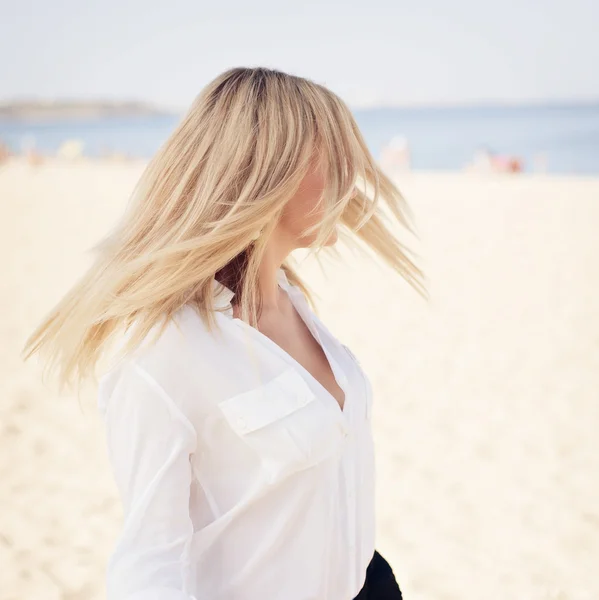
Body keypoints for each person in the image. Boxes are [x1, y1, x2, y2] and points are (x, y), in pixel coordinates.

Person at [22, 67, 427, 600]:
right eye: (335, 159)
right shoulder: (163, 354)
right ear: (268, 174)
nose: (351, 180)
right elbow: (150, 560)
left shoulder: (293, 303)